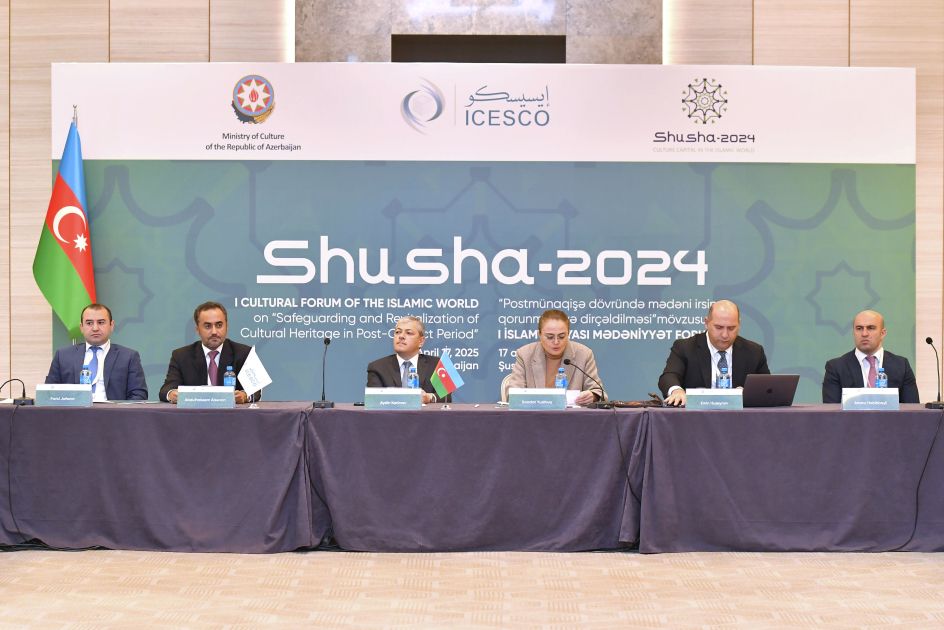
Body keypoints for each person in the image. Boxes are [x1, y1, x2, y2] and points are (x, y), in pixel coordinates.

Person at [658, 299, 770, 407]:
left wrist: (748, 394)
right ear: (706, 323)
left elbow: (767, 389)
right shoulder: (685, 347)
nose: (725, 335)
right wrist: (677, 391)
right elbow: (668, 376)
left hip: (740, 417)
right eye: (719, 327)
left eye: (731, 328)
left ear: (739, 325)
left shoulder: (754, 352)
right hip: (696, 417)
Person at [45, 303, 148, 401]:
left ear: (111, 325)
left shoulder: (128, 357)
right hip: (74, 412)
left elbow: (139, 395)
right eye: (89, 323)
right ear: (81, 327)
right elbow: (48, 394)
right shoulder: (63, 356)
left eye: (101, 322)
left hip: (113, 413)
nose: (95, 328)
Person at [159, 301, 258, 404]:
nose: (214, 332)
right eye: (207, 326)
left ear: (227, 327)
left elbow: (255, 390)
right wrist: (172, 394)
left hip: (232, 413)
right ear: (197, 329)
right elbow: (166, 389)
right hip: (194, 413)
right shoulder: (181, 356)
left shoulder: (244, 353)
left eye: (219, 325)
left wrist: (244, 395)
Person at [505, 309, 604, 405]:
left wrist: (593, 396)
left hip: (571, 415)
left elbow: (598, 391)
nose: (556, 342)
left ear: (568, 334)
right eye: (550, 337)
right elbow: (513, 393)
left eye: (561, 336)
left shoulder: (584, 354)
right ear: (539, 335)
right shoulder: (525, 354)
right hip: (534, 414)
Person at [822, 309, 919, 403]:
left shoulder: (901, 365)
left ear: (882, 333)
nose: (864, 334)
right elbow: (831, 411)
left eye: (871, 328)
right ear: (853, 332)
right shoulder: (836, 367)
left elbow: (913, 409)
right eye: (859, 328)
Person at [366, 315, 446, 404]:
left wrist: (429, 398)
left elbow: (446, 398)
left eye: (409, 333)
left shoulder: (437, 364)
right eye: (398, 332)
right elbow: (374, 401)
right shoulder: (377, 367)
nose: (401, 336)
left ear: (421, 341)